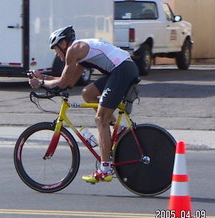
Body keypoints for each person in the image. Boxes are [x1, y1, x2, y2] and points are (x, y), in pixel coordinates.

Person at [29, 26, 139, 184]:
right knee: (88, 93)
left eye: (55, 49)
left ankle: (105, 169)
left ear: (64, 43)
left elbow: (63, 82)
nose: (56, 53)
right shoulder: (80, 55)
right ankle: (118, 130)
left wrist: (40, 82)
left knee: (100, 119)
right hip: (122, 68)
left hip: (122, 69)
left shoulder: (74, 50)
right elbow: (69, 81)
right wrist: (44, 77)